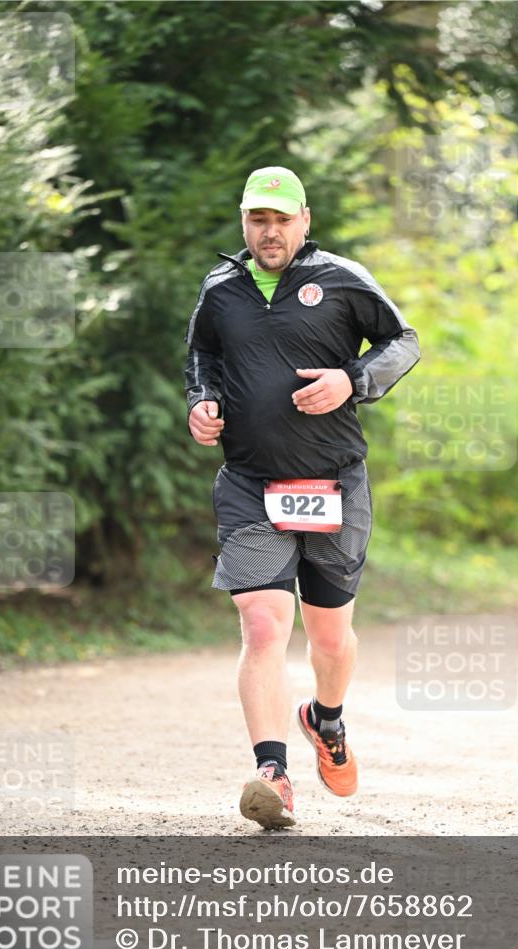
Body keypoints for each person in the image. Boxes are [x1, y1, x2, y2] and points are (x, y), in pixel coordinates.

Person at [184, 166, 420, 829]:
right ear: (243, 221)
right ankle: (273, 774)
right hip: (249, 482)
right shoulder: (221, 288)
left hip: (332, 482)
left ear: (304, 221)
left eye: (281, 220)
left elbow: (403, 342)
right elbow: (201, 356)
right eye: (257, 219)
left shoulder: (341, 279)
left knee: (330, 638)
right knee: (263, 624)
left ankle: (326, 718)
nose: (269, 232)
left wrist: (352, 380)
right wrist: (201, 400)